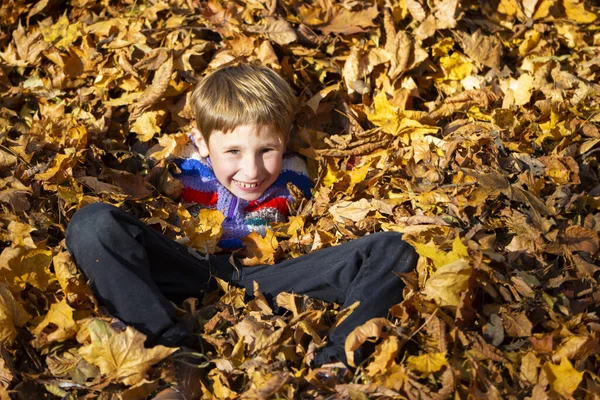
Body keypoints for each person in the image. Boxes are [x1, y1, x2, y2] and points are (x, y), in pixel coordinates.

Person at [66, 64, 418, 398]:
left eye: (267, 150)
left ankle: (333, 369)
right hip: (187, 266)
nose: (251, 170)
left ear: (285, 140)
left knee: (394, 248)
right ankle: (172, 356)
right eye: (233, 151)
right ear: (202, 143)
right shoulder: (176, 172)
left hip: (269, 276)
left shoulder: (298, 174)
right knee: (93, 223)